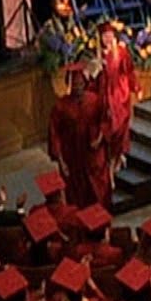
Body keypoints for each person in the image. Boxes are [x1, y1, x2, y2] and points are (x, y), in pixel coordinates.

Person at [48, 64, 109, 209]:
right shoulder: (60, 107)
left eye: (80, 84)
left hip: (92, 153)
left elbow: (105, 120)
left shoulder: (94, 100)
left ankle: (100, 217)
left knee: (97, 188)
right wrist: (61, 161)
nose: (78, 88)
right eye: (75, 85)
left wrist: (100, 138)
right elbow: (54, 134)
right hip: (73, 155)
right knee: (76, 192)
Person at [95, 21, 136, 178]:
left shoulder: (121, 52)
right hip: (104, 97)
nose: (107, 38)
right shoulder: (98, 56)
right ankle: (112, 159)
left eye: (109, 35)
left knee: (118, 128)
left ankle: (117, 158)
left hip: (119, 96)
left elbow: (129, 71)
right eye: (104, 36)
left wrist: (136, 88)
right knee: (106, 129)